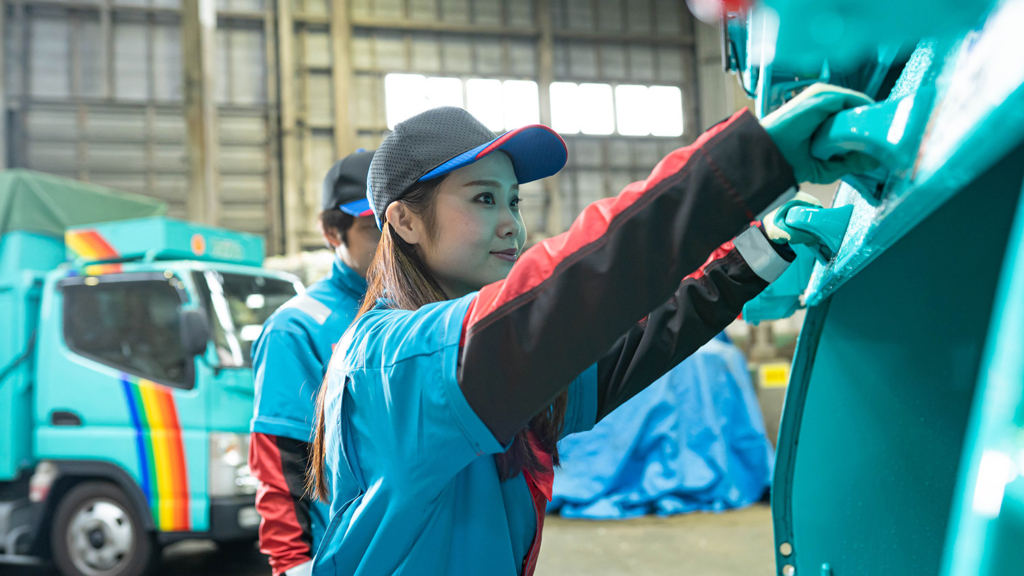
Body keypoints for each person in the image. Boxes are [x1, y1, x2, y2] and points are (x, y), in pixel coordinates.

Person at [308, 84, 877, 575]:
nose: (512, 224)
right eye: (483, 198)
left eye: (514, 200)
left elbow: (635, 344)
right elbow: (575, 286)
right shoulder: (396, 364)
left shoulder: (472, 371)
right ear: (404, 220)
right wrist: (752, 158)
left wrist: (759, 251)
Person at [248, 150, 380, 576]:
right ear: (331, 231)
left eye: (396, 225)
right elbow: (281, 460)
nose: (391, 243)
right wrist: (294, 565)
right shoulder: (296, 328)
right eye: (372, 229)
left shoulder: (420, 315)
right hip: (341, 557)